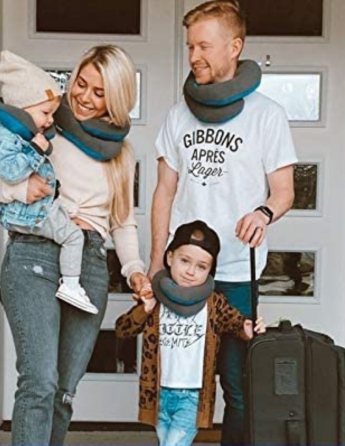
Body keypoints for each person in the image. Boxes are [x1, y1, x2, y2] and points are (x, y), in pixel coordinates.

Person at [0, 44, 150, 445]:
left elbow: (122, 222)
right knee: (40, 382)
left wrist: (135, 269)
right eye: (80, 83)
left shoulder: (121, 155)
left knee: (64, 391)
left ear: (116, 99)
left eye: (98, 92)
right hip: (34, 254)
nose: (84, 96)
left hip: (90, 267)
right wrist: (18, 188)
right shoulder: (43, 128)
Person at [148, 2, 297, 443]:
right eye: (190, 45)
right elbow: (164, 191)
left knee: (239, 389)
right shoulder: (177, 116)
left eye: (204, 46)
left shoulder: (267, 115)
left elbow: (284, 190)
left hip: (235, 273)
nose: (194, 55)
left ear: (235, 47)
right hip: (185, 275)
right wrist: (158, 261)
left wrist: (263, 212)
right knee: (182, 388)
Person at [117, 220, 266, 445]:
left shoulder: (214, 304)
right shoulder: (155, 299)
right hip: (160, 392)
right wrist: (143, 310)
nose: (190, 271)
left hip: (192, 396)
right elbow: (122, 330)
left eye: (201, 266)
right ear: (170, 258)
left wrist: (248, 328)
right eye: (185, 261)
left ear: (210, 270)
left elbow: (237, 325)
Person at [0, 50, 95, 313]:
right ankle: (71, 285)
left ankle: (17, 284)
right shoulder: (13, 138)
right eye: (46, 112)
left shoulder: (7, 132)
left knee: (64, 220)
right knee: (74, 238)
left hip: (32, 214)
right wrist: (35, 149)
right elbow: (7, 171)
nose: (50, 121)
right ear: (23, 107)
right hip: (32, 215)